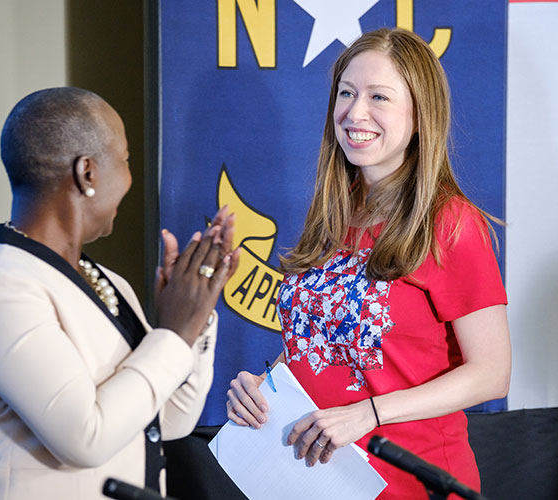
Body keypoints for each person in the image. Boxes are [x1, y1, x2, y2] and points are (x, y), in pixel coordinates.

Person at [224, 28, 511, 498]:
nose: (355, 113)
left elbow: (491, 373)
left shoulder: (450, 222)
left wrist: (369, 412)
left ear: (421, 115)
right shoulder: (333, 214)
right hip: (316, 480)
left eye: (379, 96)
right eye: (346, 93)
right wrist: (263, 387)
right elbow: (321, 342)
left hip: (414, 482)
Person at [0, 87, 239, 500]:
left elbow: (169, 420)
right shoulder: (1, 290)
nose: (129, 178)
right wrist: (174, 333)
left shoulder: (107, 281)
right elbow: (86, 437)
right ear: (87, 172)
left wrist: (196, 314)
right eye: (124, 160)